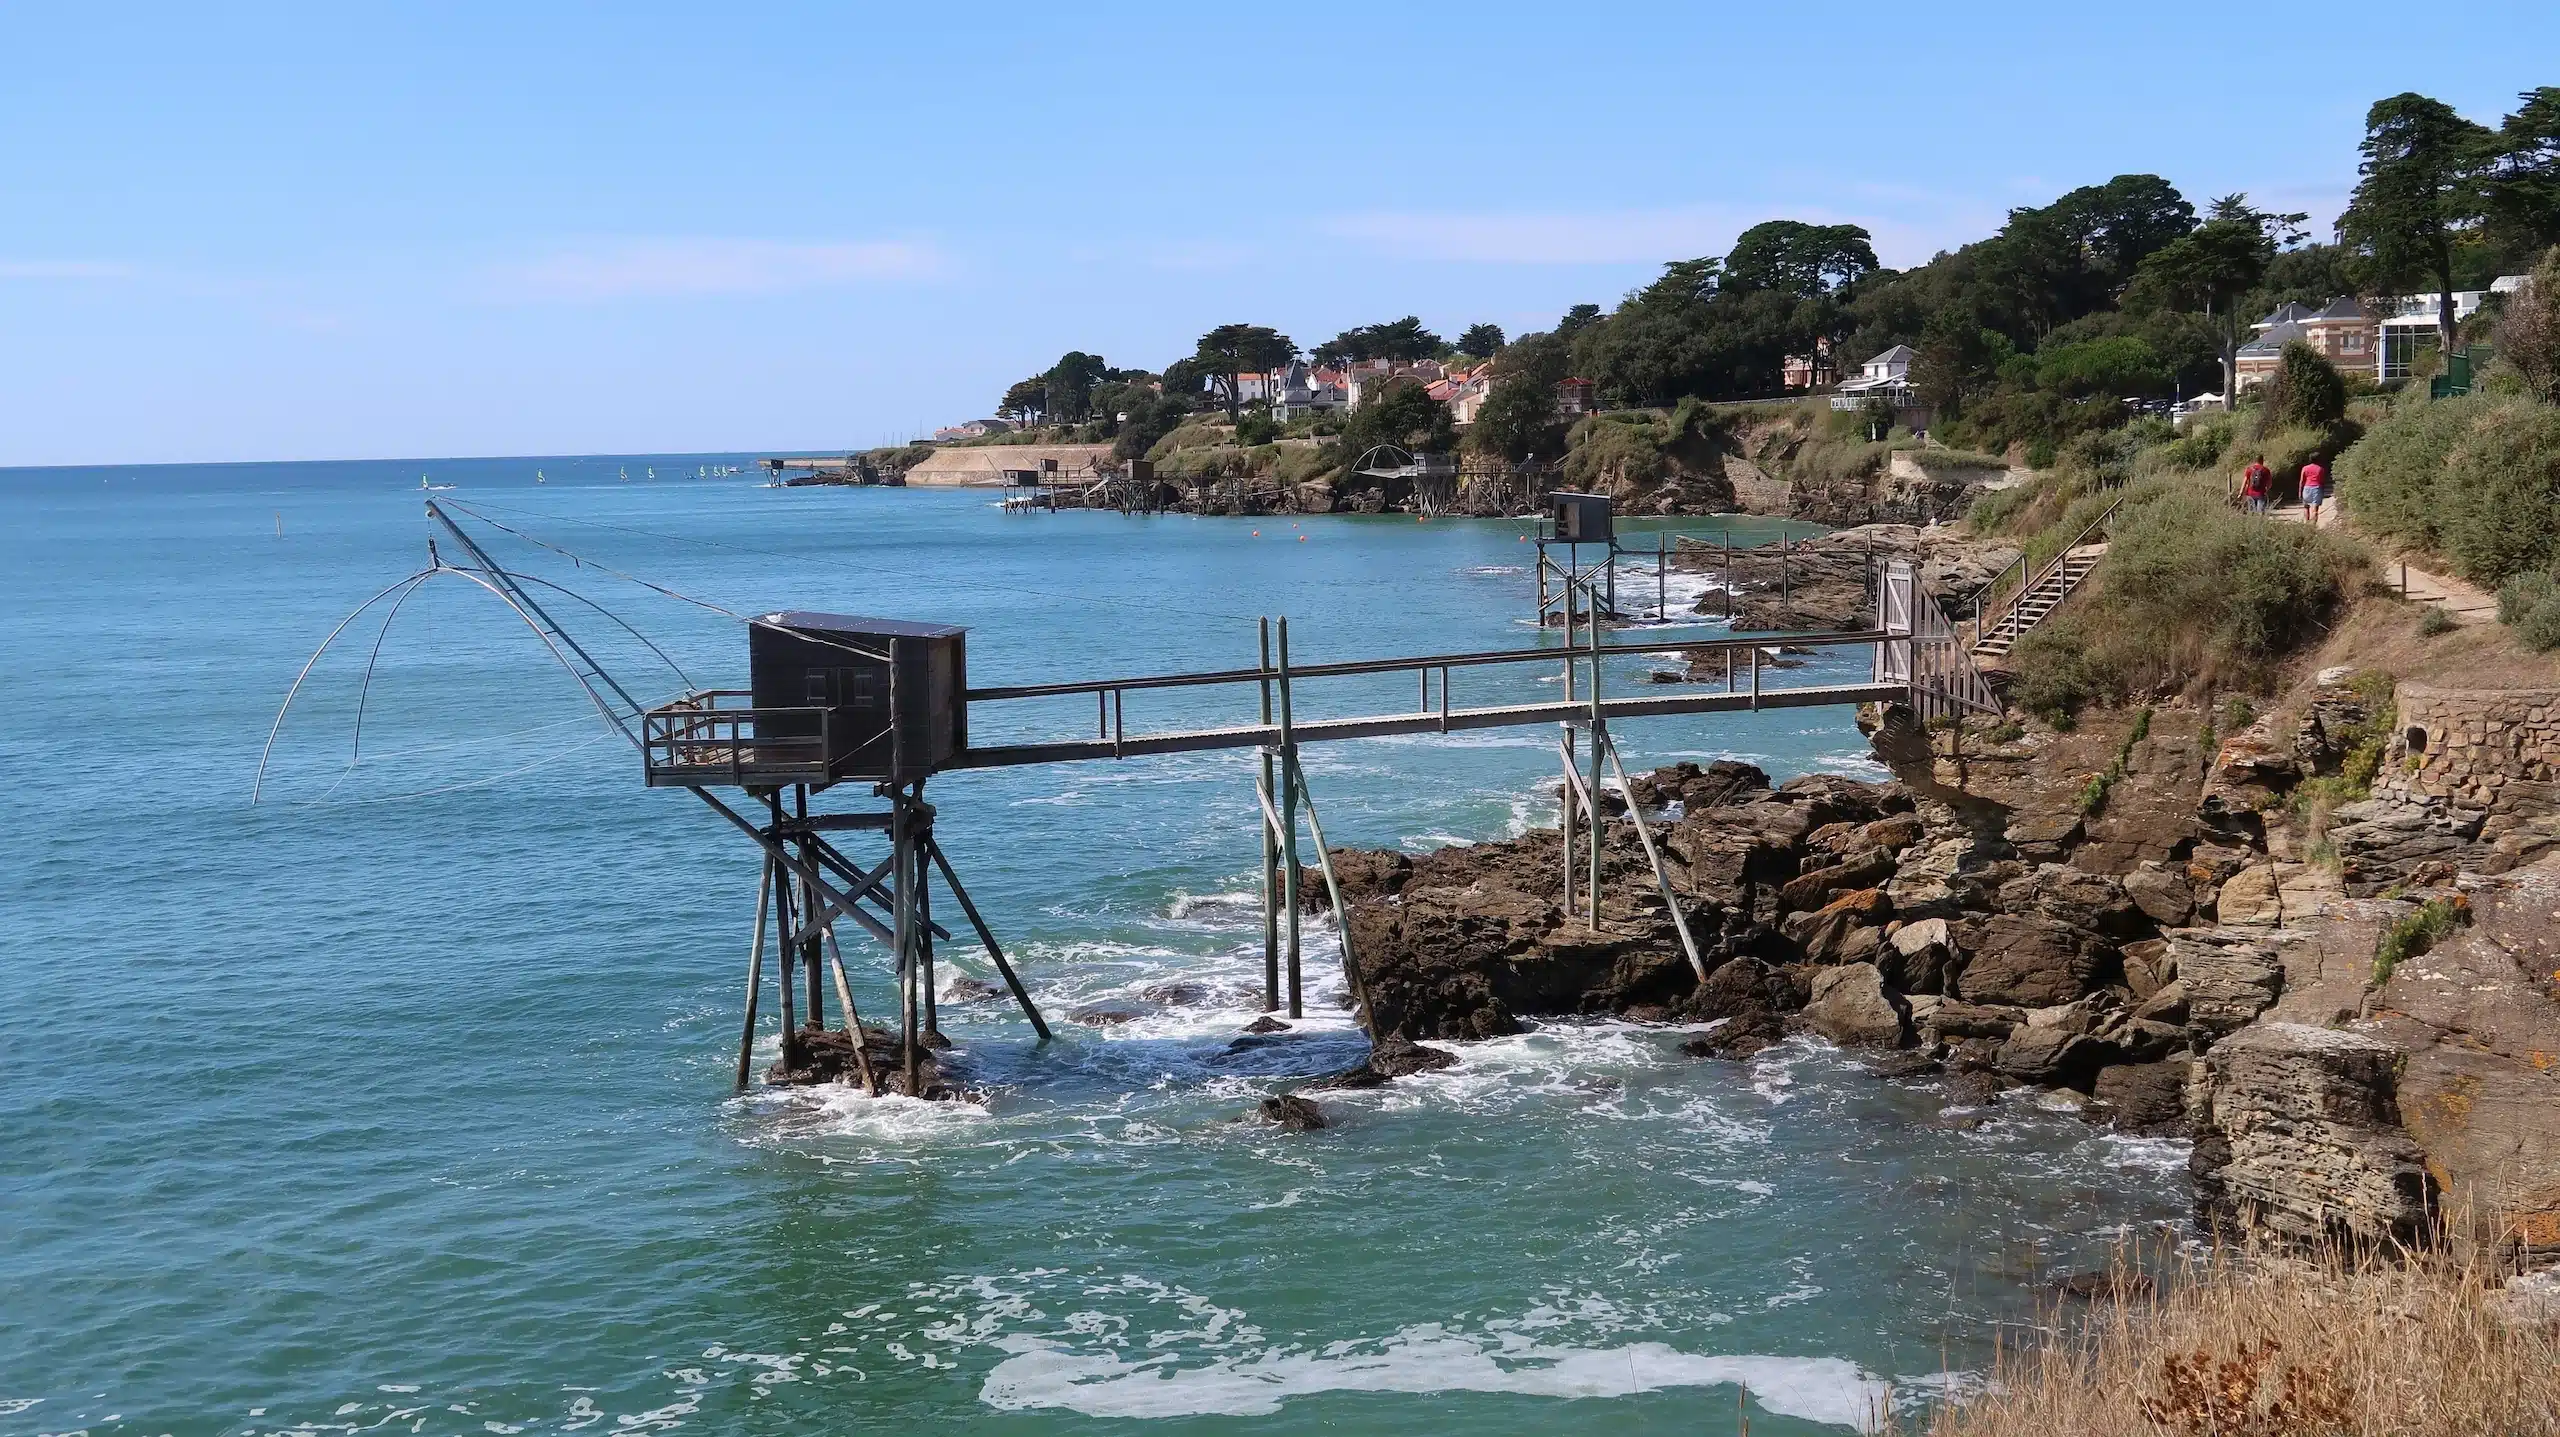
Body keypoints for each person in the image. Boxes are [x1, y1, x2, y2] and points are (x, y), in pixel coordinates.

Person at [2300, 459, 2327, 527]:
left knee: (2306, 507)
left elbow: (2302, 481)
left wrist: (2300, 491)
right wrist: (2323, 491)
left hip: (2306, 488)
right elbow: (2322, 481)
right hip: (2317, 488)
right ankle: (2313, 526)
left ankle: (2306, 524)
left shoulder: (2305, 468)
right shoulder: (2320, 469)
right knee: (2315, 509)